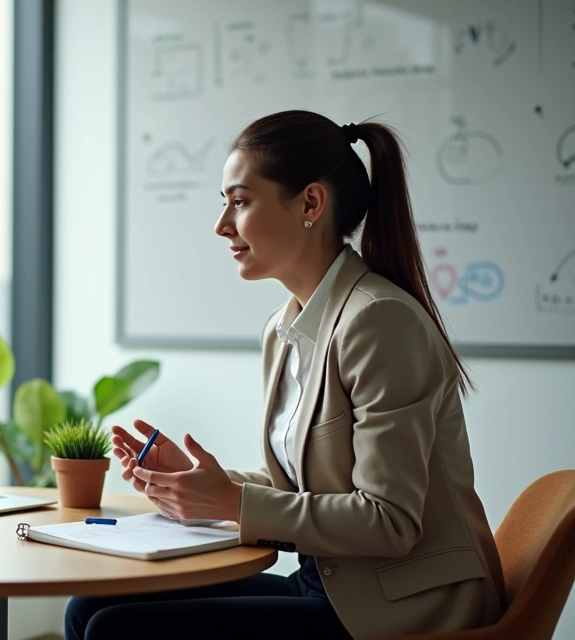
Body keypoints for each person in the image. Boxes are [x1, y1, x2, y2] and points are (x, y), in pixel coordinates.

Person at [65, 110, 506, 640]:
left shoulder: (379, 321)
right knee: (88, 606)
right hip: (329, 585)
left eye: (241, 200)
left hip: (403, 606)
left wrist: (231, 503)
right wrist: (203, 483)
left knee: (118, 630)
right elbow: (300, 486)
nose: (222, 224)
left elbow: (389, 521)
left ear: (311, 203)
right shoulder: (284, 327)